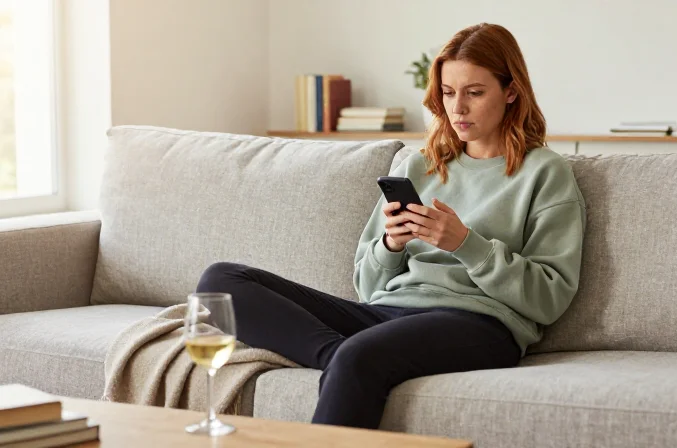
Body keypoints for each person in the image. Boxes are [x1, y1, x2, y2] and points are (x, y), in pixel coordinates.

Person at [196, 22, 586, 430]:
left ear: (511, 92)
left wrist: (467, 244)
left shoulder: (545, 172)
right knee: (219, 281)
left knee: (359, 356)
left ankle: (352, 360)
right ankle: (343, 358)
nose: (458, 109)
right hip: (387, 313)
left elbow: (549, 299)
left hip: (479, 324)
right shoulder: (419, 165)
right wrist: (391, 245)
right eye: (449, 94)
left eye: (474, 92)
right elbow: (365, 287)